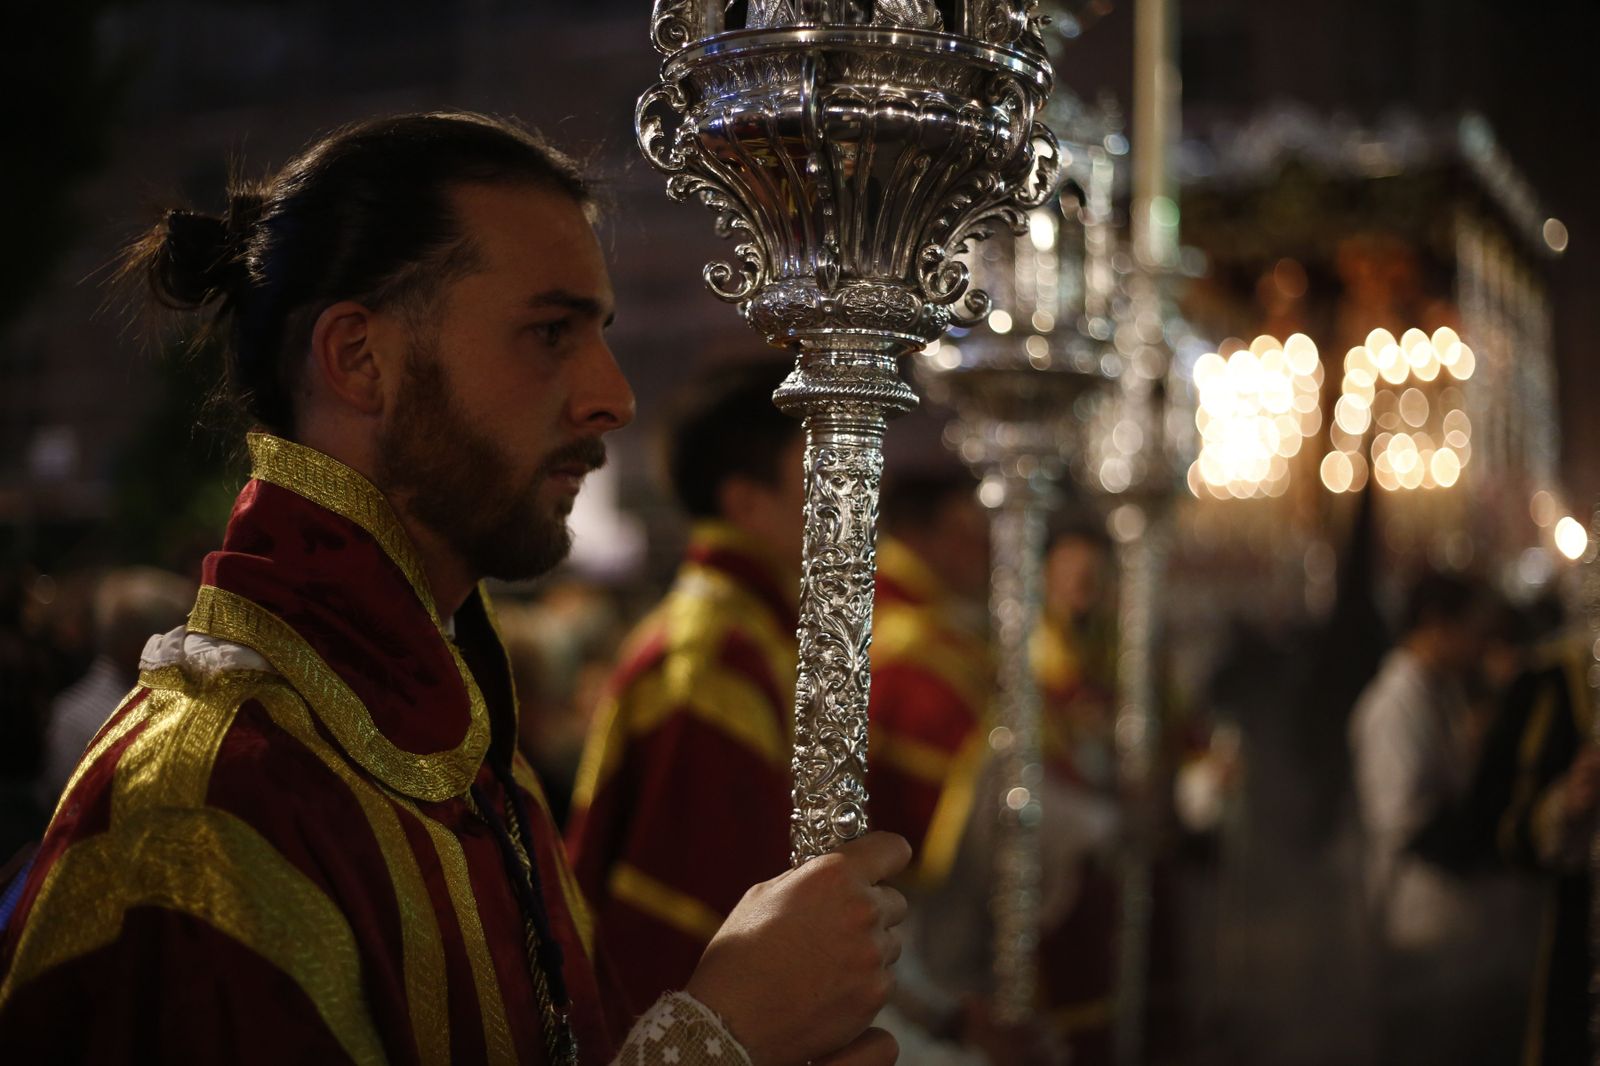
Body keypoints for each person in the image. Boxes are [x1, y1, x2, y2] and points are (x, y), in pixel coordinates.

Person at [0, 111, 908, 1066]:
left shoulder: (460, 754)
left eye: (598, 333)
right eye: (550, 332)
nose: (614, 397)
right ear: (359, 360)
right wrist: (721, 1041)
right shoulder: (203, 810)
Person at [566, 362, 803, 1011]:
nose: (854, 502)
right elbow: (683, 942)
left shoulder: (754, 633)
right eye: (825, 476)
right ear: (746, 503)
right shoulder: (712, 658)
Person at [1348, 570, 1507, 1065]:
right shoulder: (1393, 705)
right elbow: (1400, 818)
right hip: (1416, 919)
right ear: (1437, 624)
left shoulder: (1439, 692)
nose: (1478, 645)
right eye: (1471, 629)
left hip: (1453, 922)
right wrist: (1483, 847)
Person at [36, 567, 194, 806]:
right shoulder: (76, 719)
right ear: (139, 644)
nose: (186, 650)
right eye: (175, 639)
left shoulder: (174, 698)